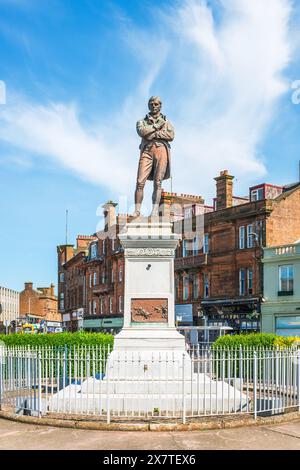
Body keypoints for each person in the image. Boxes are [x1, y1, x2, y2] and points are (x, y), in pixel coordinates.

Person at [133, 96, 174, 217]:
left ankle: (155, 211)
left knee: (158, 182)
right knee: (140, 181)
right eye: (151, 104)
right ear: (148, 105)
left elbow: (171, 135)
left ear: (160, 106)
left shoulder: (166, 121)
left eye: (156, 104)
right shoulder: (141, 122)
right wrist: (156, 127)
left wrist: (153, 134)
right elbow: (142, 132)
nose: (154, 106)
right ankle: (137, 211)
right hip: (147, 151)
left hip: (161, 150)